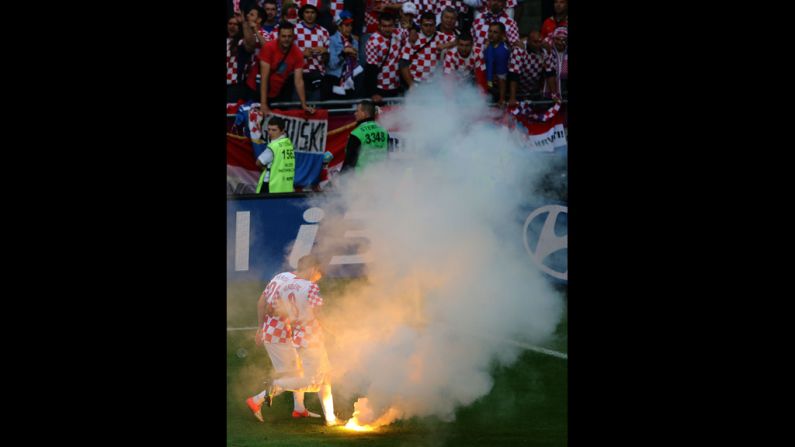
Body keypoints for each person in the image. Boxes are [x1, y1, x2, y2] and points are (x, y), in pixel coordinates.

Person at [247, 255, 339, 426]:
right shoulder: (309, 287)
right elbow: (318, 312)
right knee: (306, 380)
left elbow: (266, 305)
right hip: (291, 335)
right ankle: (263, 395)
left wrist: (262, 326)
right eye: (319, 274)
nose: (318, 278)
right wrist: (333, 330)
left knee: (315, 375)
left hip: (293, 334)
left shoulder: (283, 279)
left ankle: (306, 411)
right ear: (313, 269)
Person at [259, 21, 317, 115]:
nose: (286, 39)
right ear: (278, 36)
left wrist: (304, 104)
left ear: (293, 37)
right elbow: (264, 78)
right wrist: (263, 104)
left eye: (289, 36)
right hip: (258, 90)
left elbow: (298, 81)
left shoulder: (297, 53)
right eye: (283, 36)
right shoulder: (268, 47)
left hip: (276, 91)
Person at [399, 12, 453, 89]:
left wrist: (444, 45)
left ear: (435, 25)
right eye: (426, 25)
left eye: (431, 25)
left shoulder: (440, 36)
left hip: (434, 85)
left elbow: (458, 40)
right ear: (420, 25)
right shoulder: (413, 38)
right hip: (416, 83)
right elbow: (403, 63)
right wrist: (411, 85)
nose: (429, 28)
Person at [507, 29, 558, 107]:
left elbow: (550, 73)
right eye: (535, 42)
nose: (538, 45)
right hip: (517, 89)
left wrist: (554, 95)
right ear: (528, 41)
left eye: (540, 42)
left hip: (534, 89)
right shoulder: (519, 49)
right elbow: (514, 74)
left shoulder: (545, 50)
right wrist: (512, 98)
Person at [363, 12, 403, 104]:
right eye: (384, 26)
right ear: (379, 25)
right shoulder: (373, 42)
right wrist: (373, 93)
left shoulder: (398, 33)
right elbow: (370, 68)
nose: (387, 29)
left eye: (390, 26)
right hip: (380, 88)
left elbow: (412, 30)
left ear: (394, 25)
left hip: (396, 86)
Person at [294, 3, 331, 101]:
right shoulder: (294, 30)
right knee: (296, 109)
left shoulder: (324, 32)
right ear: (302, 14)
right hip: (299, 74)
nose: (309, 15)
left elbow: (326, 61)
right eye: (307, 12)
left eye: (312, 12)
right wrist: (302, 55)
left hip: (317, 74)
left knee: (316, 110)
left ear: (316, 14)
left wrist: (325, 52)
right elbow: (287, 54)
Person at [342, 100, 389, 173]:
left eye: (357, 111)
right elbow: (388, 155)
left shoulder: (357, 133)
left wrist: (341, 179)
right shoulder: (384, 131)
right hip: (381, 177)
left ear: (365, 114)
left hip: (362, 179)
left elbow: (349, 163)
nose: (355, 114)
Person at [325, 11, 364, 98]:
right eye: (346, 25)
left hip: (350, 81)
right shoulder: (331, 40)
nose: (349, 28)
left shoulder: (354, 42)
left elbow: (357, 62)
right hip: (334, 79)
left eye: (350, 25)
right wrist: (343, 53)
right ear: (339, 26)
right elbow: (332, 65)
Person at [255, 116, 296, 193]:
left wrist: (267, 169)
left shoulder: (273, 146)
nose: (270, 133)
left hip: (271, 186)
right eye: (269, 129)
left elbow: (258, 162)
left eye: (274, 130)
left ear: (282, 131)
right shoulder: (289, 144)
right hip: (286, 185)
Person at [483, 22, 509, 107]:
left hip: (496, 87)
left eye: (495, 32)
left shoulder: (502, 51)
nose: (491, 34)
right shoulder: (485, 46)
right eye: (490, 31)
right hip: (484, 83)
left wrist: (502, 99)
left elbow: (502, 79)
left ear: (502, 35)